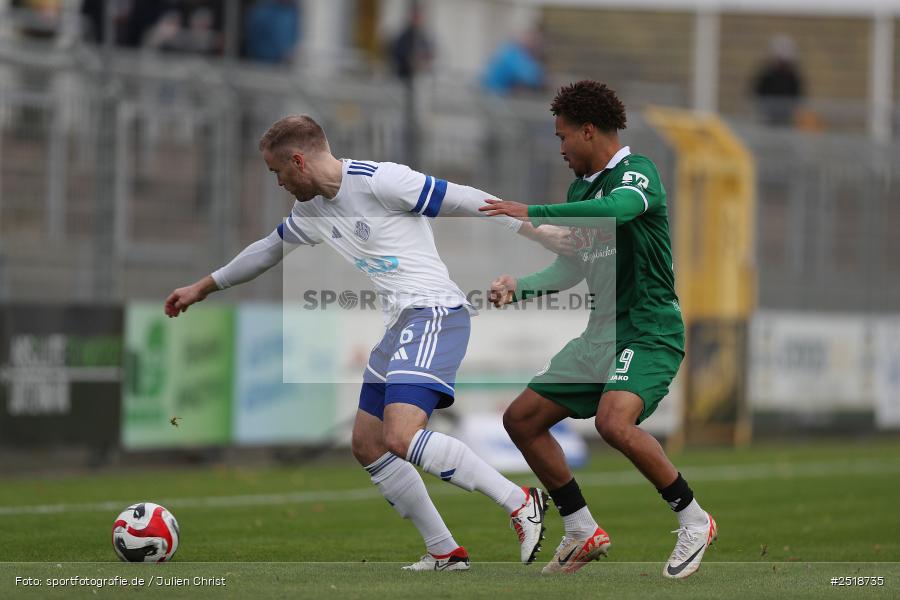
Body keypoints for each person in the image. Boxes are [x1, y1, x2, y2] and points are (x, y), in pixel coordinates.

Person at [164, 115, 575, 571]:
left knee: (400, 435)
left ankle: (519, 501)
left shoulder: (381, 181)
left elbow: (467, 199)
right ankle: (444, 552)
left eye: (277, 172)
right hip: (399, 324)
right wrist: (203, 287)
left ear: (298, 161)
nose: (278, 183)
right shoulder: (311, 211)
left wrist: (541, 230)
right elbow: (267, 249)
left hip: (434, 312)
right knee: (368, 443)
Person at [480, 81, 717, 579]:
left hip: (649, 330)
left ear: (588, 131)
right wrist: (520, 288)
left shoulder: (638, 172)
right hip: (600, 334)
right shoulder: (580, 191)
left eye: (563, 136)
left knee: (613, 422)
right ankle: (581, 528)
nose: (561, 148)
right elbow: (576, 265)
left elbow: (616, 210)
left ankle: (694, 520)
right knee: (522, 419)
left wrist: (532, 212)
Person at [752, 35, 804, 126]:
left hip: (787, 120)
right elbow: (758, 95)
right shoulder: (767, 76)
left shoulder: (793, 78)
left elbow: (798, 97)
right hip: (768, 119)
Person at [480, 27, 546, 97]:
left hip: (498, 94)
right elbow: (529, 77)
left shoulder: (522, 55)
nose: (537, 46)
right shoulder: (512, 53)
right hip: (496, 95)